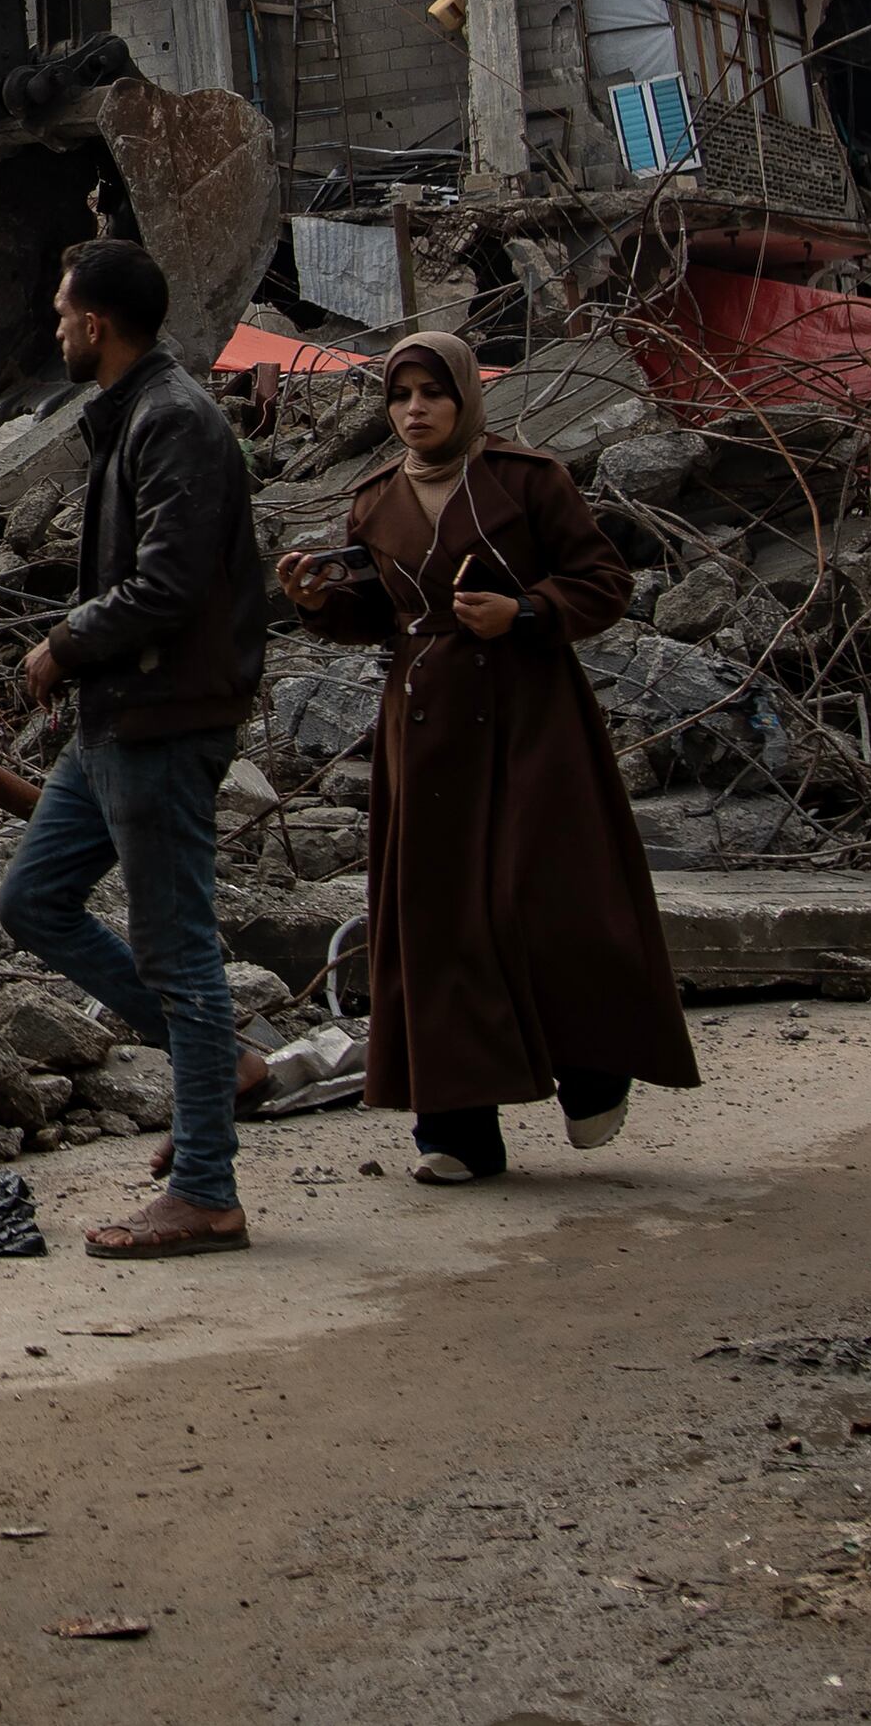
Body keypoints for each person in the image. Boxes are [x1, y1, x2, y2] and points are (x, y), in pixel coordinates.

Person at [273, 330, 699, 1182]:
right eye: (401, 395)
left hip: (531, 714)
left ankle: (592, 1072)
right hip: (425, 727)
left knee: (549, 894)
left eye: (433, 392)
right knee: (436, 918)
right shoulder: (375, 498)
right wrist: (318, 600)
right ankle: (459, 1128)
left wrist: (527, 611)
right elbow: (378, 614)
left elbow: (602, 581)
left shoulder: (528, 480)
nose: (416, 409)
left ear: (468, 397)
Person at [0, 236, 268, 1260]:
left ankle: (204, 1189)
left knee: (176, 951)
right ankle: (221, 1065)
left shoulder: (172, 422)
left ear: (94, 325)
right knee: (30, 902)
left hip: (158, 721)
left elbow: (167, 585)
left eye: (63, 312)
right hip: (112, 723)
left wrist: (63, 642)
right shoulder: (133, 417)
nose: (55, 326)